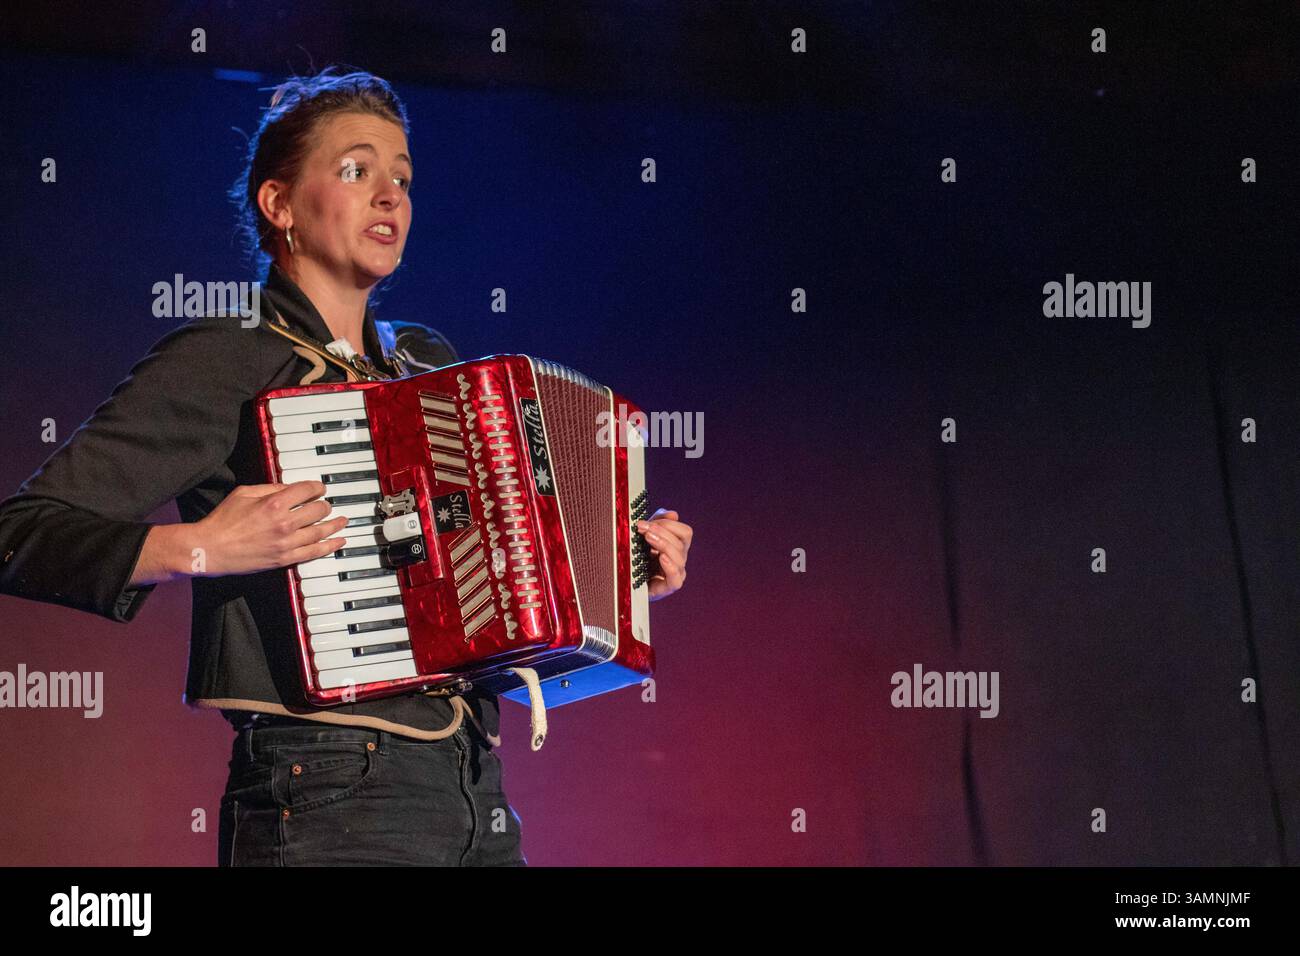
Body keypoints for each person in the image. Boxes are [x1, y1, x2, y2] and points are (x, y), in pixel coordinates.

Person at [0, 68, 693, 866]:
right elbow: (20, 534)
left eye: (402, 177)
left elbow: (492, 592)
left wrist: (621, 571)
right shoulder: (224, 360)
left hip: (472, 785)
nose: (390, 196)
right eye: (357, 170)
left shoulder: (427, 366)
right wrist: (198, 549)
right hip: (323, 787)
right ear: (280, 205)